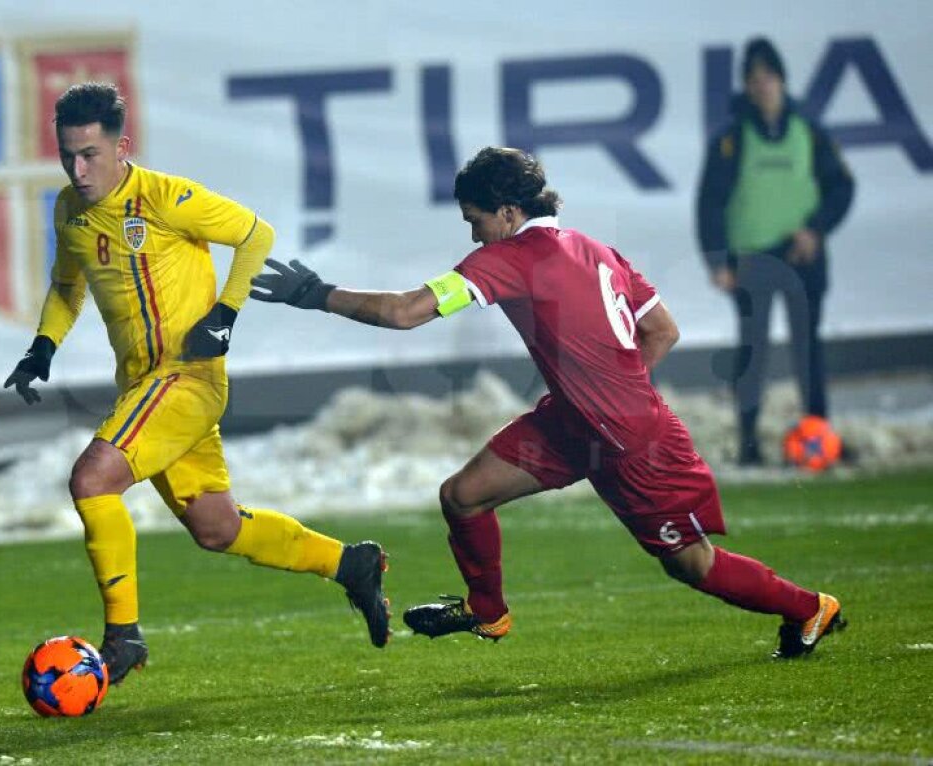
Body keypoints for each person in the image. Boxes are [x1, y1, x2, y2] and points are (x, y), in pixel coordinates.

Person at [251, 146, 845, 659]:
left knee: (692, 565)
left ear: (509, 214)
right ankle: (488, 611)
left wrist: (317, 294)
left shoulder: (509, 259)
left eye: (475, 220)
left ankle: (810, 608)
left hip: (633, 442)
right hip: (574, 422)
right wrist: (603, 386)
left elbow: (406, 313)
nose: (473, 234)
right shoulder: (595, 249)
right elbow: (662, 330)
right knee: (463, 496)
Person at [4, 83, 390, 685]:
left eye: (90, 155)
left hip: (185, 377)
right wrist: (41, 347)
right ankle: (350, 564)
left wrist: (224, 316)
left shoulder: (163, 198)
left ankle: (122, 636)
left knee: (91, 478)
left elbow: (255, 233)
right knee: (217, 527)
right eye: (68, 154)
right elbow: (66, 284)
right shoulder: (68, 209)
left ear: (121, 146)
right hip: (143, 389)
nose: (78, 170)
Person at [697, 37, 855, 466]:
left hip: (803, 256)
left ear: (782, 80)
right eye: (753, 78)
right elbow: (709, 202)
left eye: (768, 76)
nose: (762, 85)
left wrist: (816, 230)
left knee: (810, 349)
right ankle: (749, 444)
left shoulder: (809, 131)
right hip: (751, 259)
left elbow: (842, 186)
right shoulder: (731, 139)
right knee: (752, 352)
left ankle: (820, 436)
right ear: (746, 86)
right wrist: (717, 261)